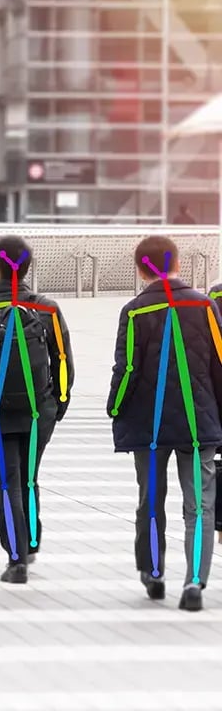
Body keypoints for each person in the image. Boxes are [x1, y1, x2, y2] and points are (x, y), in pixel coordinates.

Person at [109, 236, 222, 612]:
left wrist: (115, 407)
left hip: (149, 425)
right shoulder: (205, 305)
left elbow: (127, 368)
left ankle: (154, 574)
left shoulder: (134, 311)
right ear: (178, 263)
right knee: (199, 504)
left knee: (151, 500)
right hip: (198, 421)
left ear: (141, 269)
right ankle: (194, 583)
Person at [0, 234, 74, 585]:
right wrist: (58, 403)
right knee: (28, 477)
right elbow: (63, 360)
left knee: (6, 482)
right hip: (39, 410)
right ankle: (31, 540)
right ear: (27, 267)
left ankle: (16, 556)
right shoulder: (47, 309)